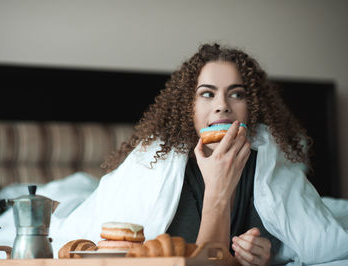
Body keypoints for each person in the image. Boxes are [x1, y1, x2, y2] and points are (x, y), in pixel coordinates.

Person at [53, 43, 348, 265]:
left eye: (237, 93)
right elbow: (209, 259)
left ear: (252, 107)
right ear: (188, 108)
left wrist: (269, 253)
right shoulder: (157, 169)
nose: (221, 105)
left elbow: (305, 238)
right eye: (207, 94)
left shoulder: (268, 168)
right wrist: (218, 185)